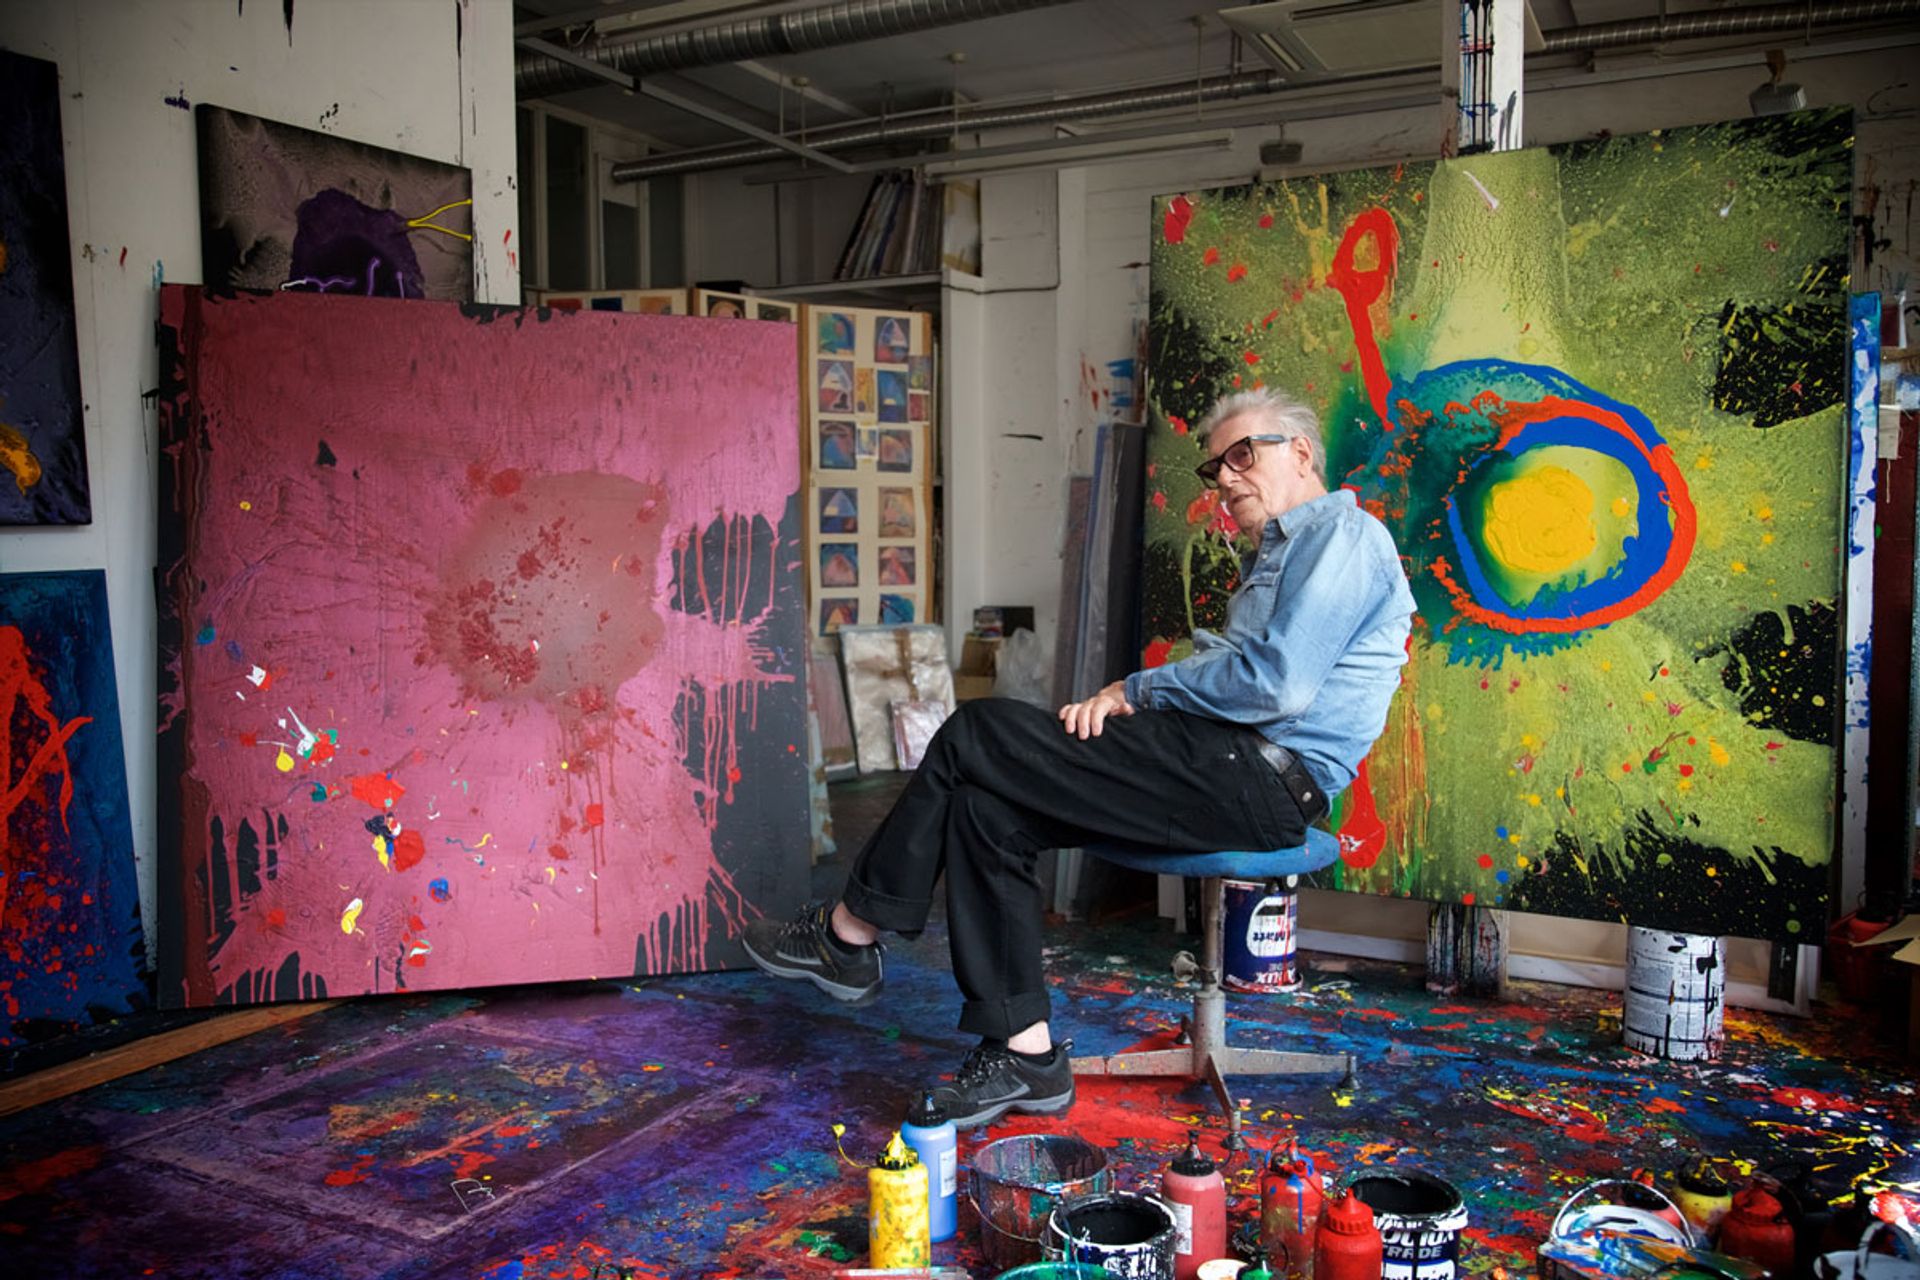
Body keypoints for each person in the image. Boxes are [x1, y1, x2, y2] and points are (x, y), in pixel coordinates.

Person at [744, 386, 1417, 1126]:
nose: (1226, 477)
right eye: (1215, 466)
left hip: (1257, 778)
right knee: (987, 810)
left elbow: (1274, 685)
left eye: (1242, 455)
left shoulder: (1343, 537)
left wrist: (1135, 689)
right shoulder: (1281, 551)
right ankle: (1024, 1055)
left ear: (1302, 454)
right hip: (1221, 764)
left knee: (976, 731)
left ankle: (849, 933)